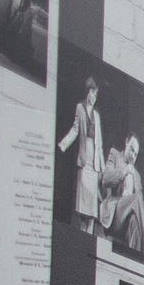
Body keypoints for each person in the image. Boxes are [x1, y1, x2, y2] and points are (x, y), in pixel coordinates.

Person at [59, 77, 103, 235]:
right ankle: (82, 234)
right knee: (83, 205)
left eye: (96, 94)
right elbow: (75, 129)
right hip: (84, 160)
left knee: (92, 209)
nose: (93, 96)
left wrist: (102, 167)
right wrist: (63, 144)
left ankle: (89, 234)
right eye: (92, 92)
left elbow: (100, 143)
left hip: (94, 162)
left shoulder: (96, 115)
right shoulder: (80, 108)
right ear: (87, 92)